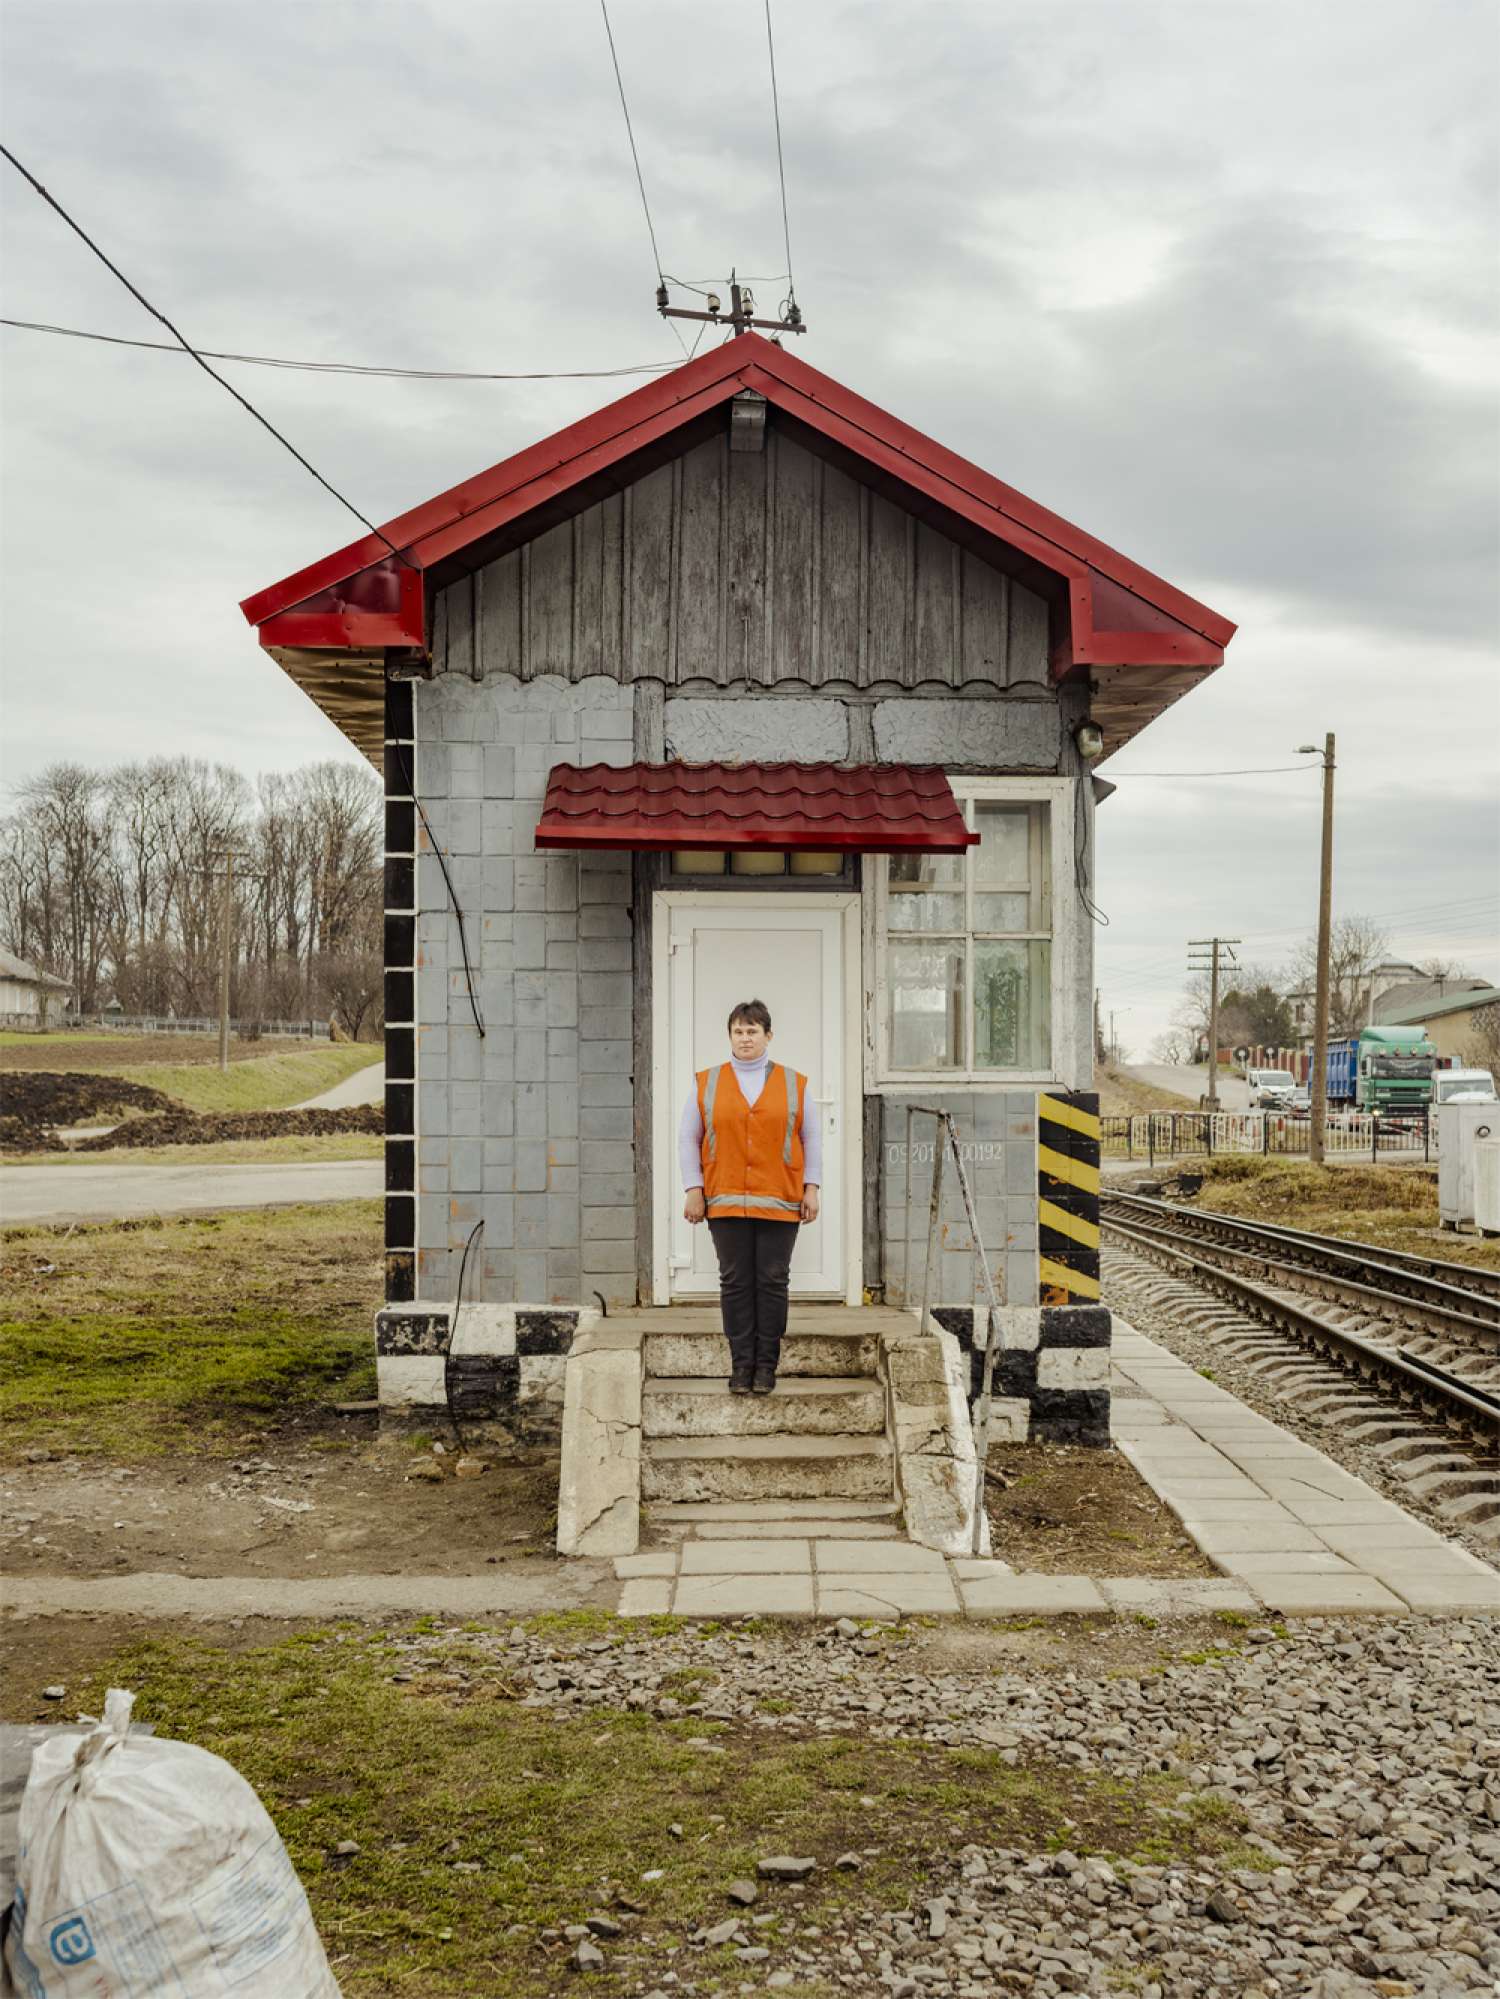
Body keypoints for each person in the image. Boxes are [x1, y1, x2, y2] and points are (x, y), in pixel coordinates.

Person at [680, 998, 821, 1396]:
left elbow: (811, 1138)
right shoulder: (706, 1082)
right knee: (736, 1282)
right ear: (730, 1036)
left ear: (768, 1036)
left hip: (780, 1199)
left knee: (772, 1281)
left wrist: (812, 1186)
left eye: (752, 1031)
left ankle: (766, 1367)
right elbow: (688, 1138)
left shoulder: (795, 1083)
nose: (745, 1038)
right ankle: (741, 1366)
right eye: (739, 1031)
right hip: (724, 1200)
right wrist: (694, 1188)